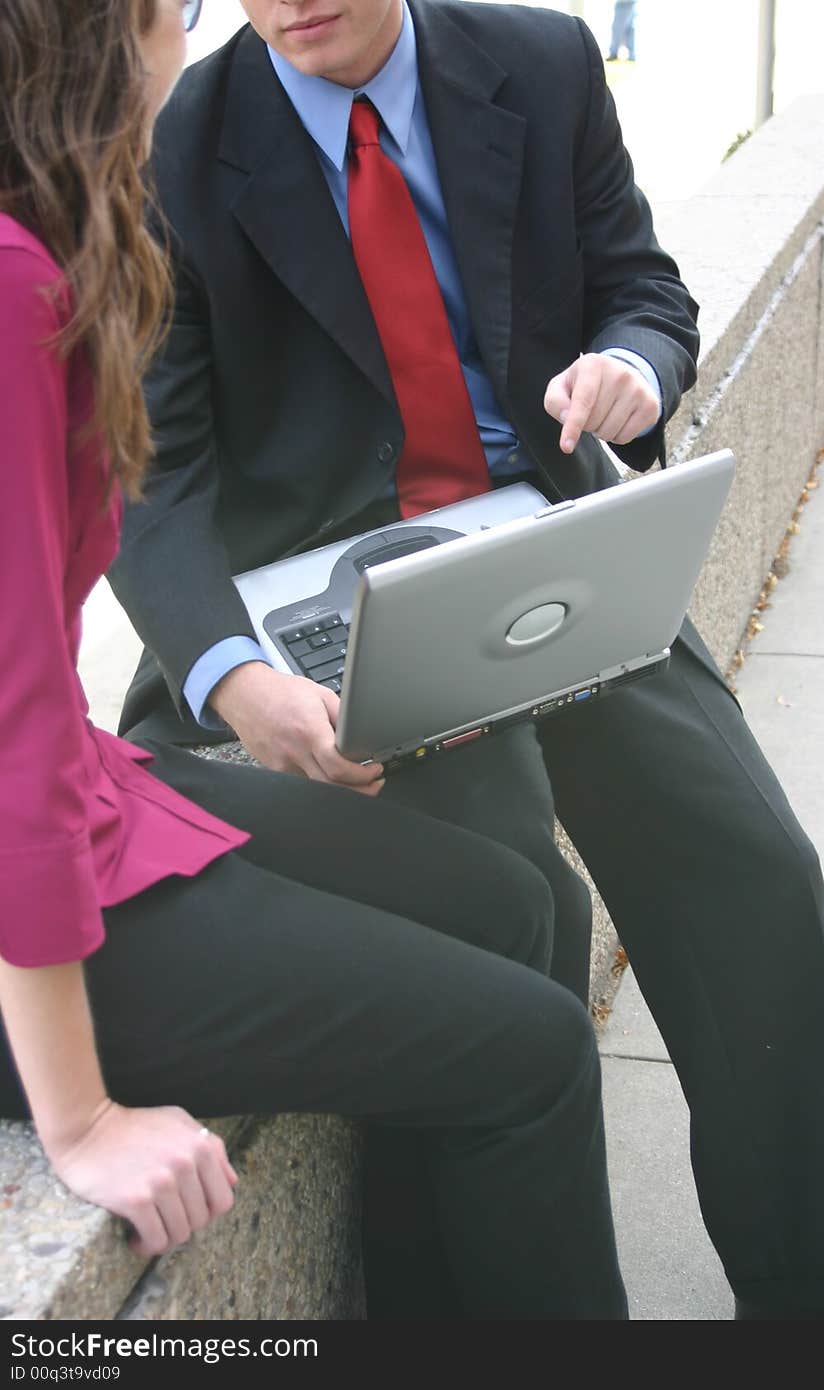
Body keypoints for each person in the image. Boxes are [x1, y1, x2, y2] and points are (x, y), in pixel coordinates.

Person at [109, 0, 824, 1320]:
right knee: (513, 902)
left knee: (756, 864)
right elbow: (150, 478)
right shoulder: (177, 147)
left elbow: (644, 285)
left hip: (547, 542)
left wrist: (635, 367)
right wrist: (241, 681)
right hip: (336, 606)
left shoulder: (541, 59)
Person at [0, 0, 636, 1322]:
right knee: (532, 1050)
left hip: (86, 787)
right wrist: (80, 1118)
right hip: (36, 877)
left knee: (527, 906)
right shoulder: (15, 289)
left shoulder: (62, 237)